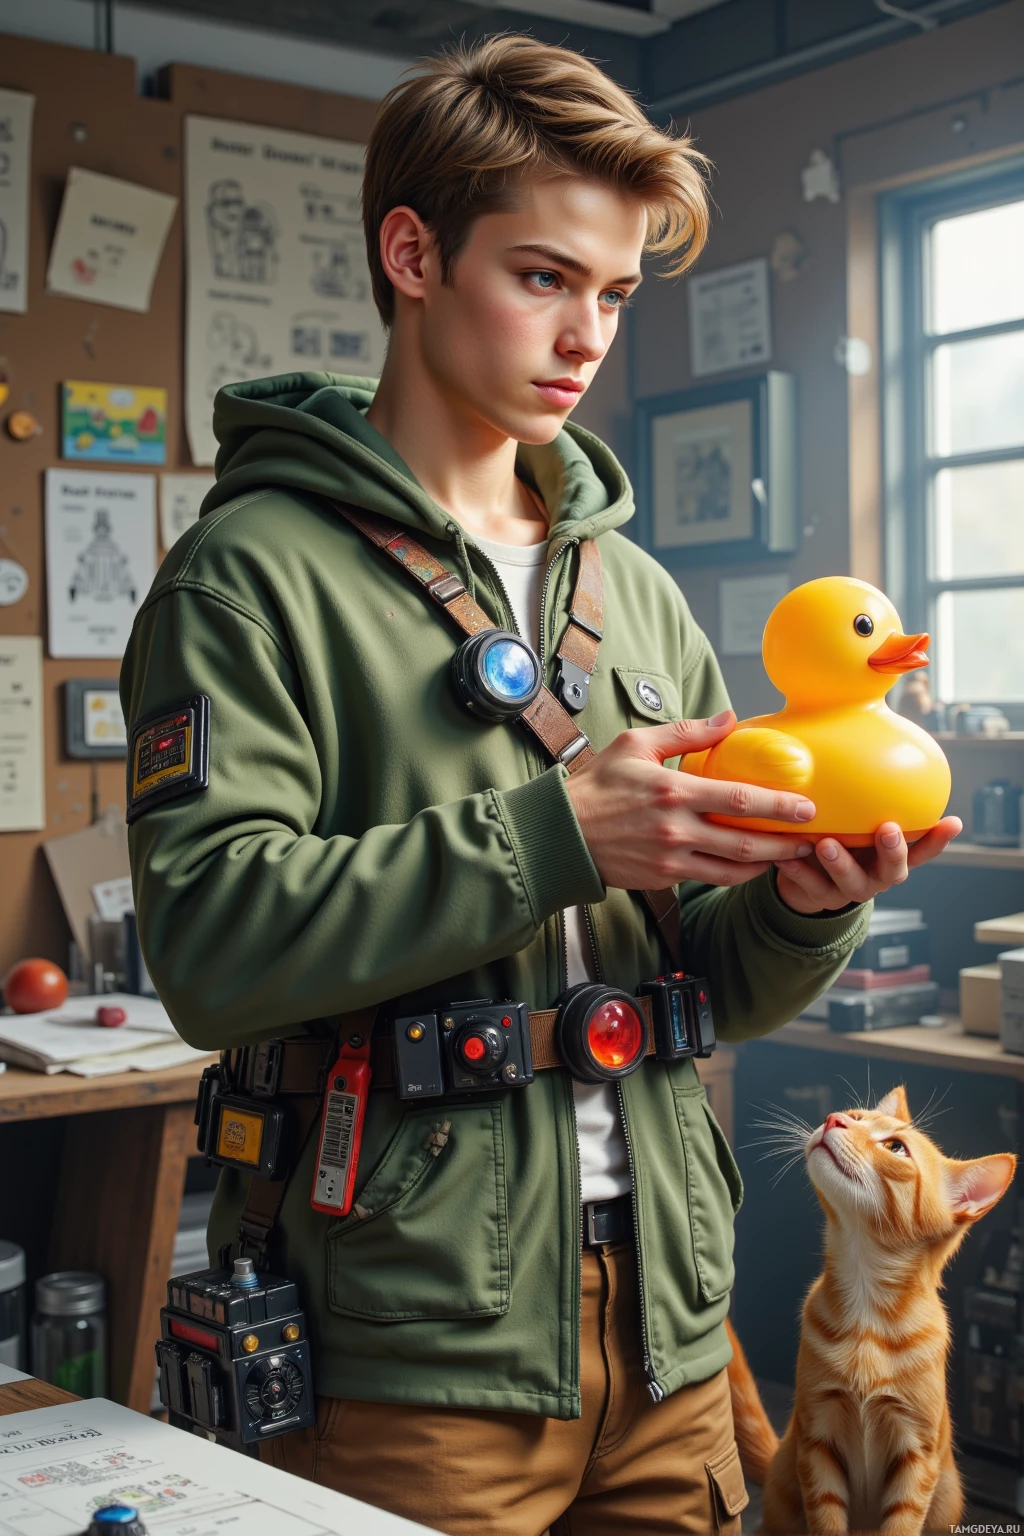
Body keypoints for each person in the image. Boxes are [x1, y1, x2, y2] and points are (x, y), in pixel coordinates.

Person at [120, 34, 961, 1536]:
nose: (588, 335)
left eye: (618, 294)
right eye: (545, 277)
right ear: (412, 253)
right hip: (410, 1356)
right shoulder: (248, 580)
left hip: (675, 1336)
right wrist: (556, 832)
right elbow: (206, 946)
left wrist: (805, 915)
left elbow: (708, 982)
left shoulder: (634, 592)